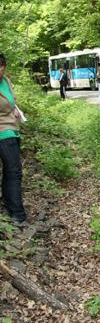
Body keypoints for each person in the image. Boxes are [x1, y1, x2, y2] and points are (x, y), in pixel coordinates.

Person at [0, 53, 27, 225]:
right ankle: (18, 214)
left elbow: (11, 102)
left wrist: (15, 110)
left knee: (11, 172)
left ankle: (11, 208)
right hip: (3, 132)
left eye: (1, 66)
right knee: (14, 172)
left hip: (12, 129)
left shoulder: (6, 81)